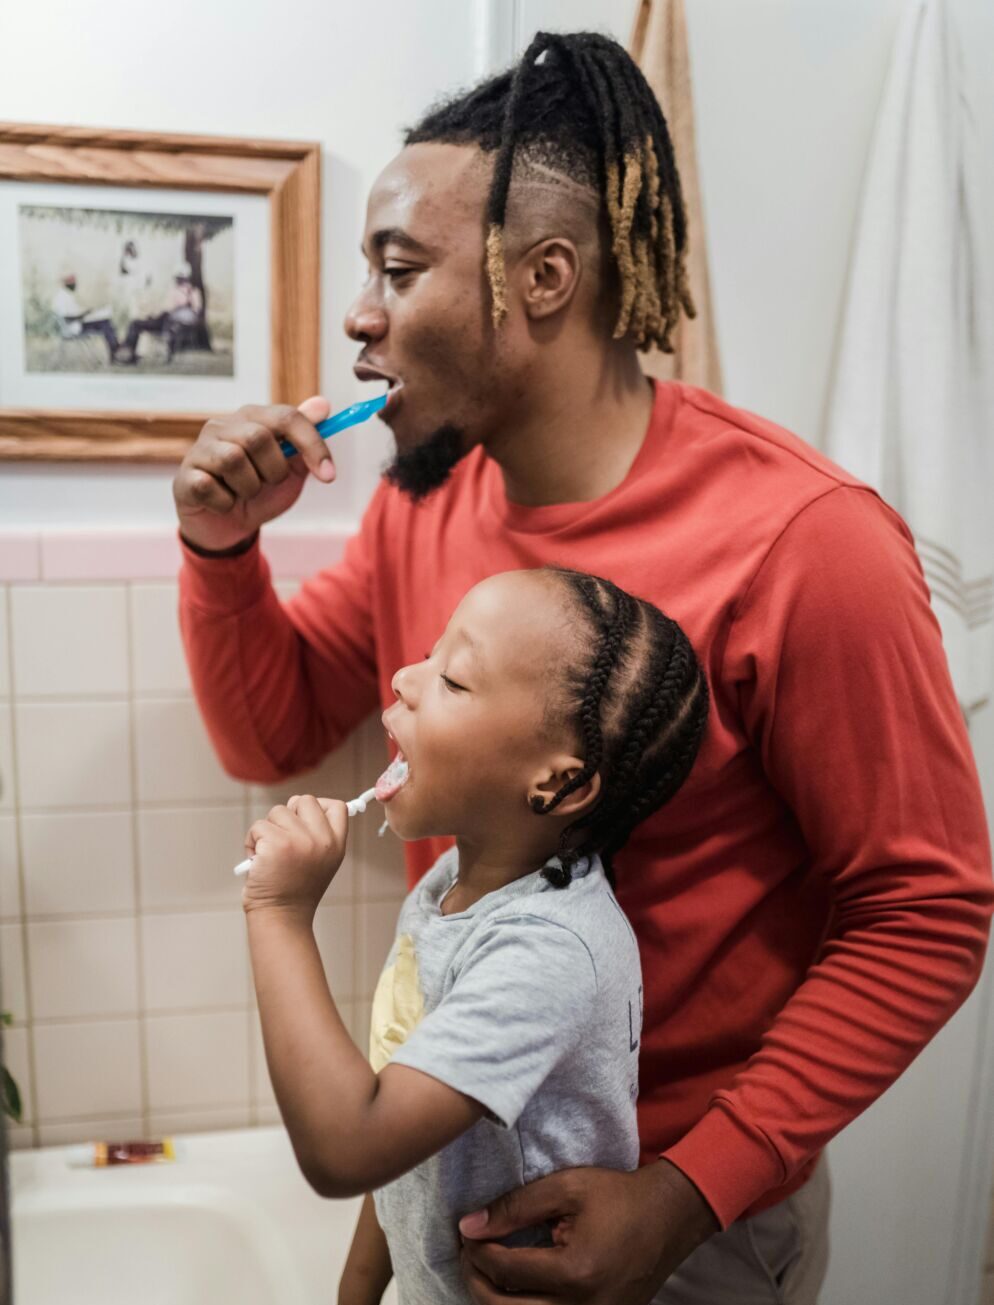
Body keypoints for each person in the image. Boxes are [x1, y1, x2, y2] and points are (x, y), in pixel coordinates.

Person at [174, 30, 993, 1305]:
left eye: (399, 267)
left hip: (678, 1223)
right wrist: (220, 552)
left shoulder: (806, 541)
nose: (359, 313)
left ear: (542, 277)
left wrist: (685, 1196)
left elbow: (926, 914)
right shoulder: (421, 507)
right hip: (449, 1184)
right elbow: (268, 731)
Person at [242, 566, 709, 1305]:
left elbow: (348, 1147)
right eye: (429, 654)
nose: (402, 678)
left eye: (453, 680)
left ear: (557, 785)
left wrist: (279, 913)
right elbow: (401, 1138)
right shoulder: (452, 884)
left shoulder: (549, 952)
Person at [117, 259, 203, 363]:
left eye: (181, 278)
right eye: (179, 278)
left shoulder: (193, 291)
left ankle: (126, 347)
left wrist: (179, 312)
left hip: (173, 323)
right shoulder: (174, 290)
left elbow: (196, 312)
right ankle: (128, 350)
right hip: (164, 320)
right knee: (136, 324)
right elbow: (166, 309)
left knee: (160, 324)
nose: (180, 280)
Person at [50, 272, 119, 361]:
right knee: (105, 323)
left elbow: (72, 312)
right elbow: (68, 318)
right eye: (74, 284)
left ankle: (116, 352)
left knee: (106, 322)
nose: (75, 286)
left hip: (76, 324)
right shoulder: (63, 297)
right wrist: (84, 314)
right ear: (69, 284)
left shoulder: (65, 295)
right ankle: (116, 354)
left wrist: (86, 313)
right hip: (73, 328)